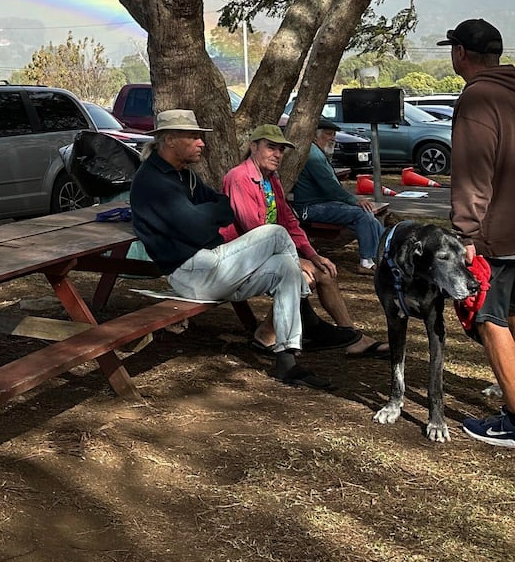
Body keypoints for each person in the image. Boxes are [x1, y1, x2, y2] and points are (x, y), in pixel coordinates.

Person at [129, 109, 332, 391]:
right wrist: (208, 214)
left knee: (285, 268)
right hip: (191, 273)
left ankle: (287, 362)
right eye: (194, 137)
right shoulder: (153, 182)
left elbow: (222, 206)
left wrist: (206, 213)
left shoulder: (182, 175)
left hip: (213, 265)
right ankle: (307, 316)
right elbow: (202, 229)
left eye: (201, 137)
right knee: (275, 233)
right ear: (170, 139)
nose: (202, 143)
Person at [442, 18, 515, 453]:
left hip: (497, 234)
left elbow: (473, 171)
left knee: (491, 319)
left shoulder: (477, 97)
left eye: (452, 49)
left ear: (462, 54)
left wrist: (465, 232)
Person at [220, 125, 388, 358]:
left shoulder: (271, 178)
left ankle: (352, 338)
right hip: (241, 257)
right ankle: (267, 335)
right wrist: (295, 260)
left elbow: (288, 220)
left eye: (281, 149)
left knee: (323, 271)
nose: (277, 154)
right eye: (271, 147)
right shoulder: (239, 177)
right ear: (253, 147)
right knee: (304, 278)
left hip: (268, 251)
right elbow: (256, 232)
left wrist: (312, 254)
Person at [291, 119, 387, 273]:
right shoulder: (312, 155)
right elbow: (330, 187)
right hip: (310, 208)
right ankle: (366, 262)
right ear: (315, 137)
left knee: (368, 215)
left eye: (334, 134)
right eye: (328, 134)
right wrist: (354, 201)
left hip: (325, 204)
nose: (333, 138)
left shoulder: (318, 152)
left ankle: (385, 254)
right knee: (362, 214)